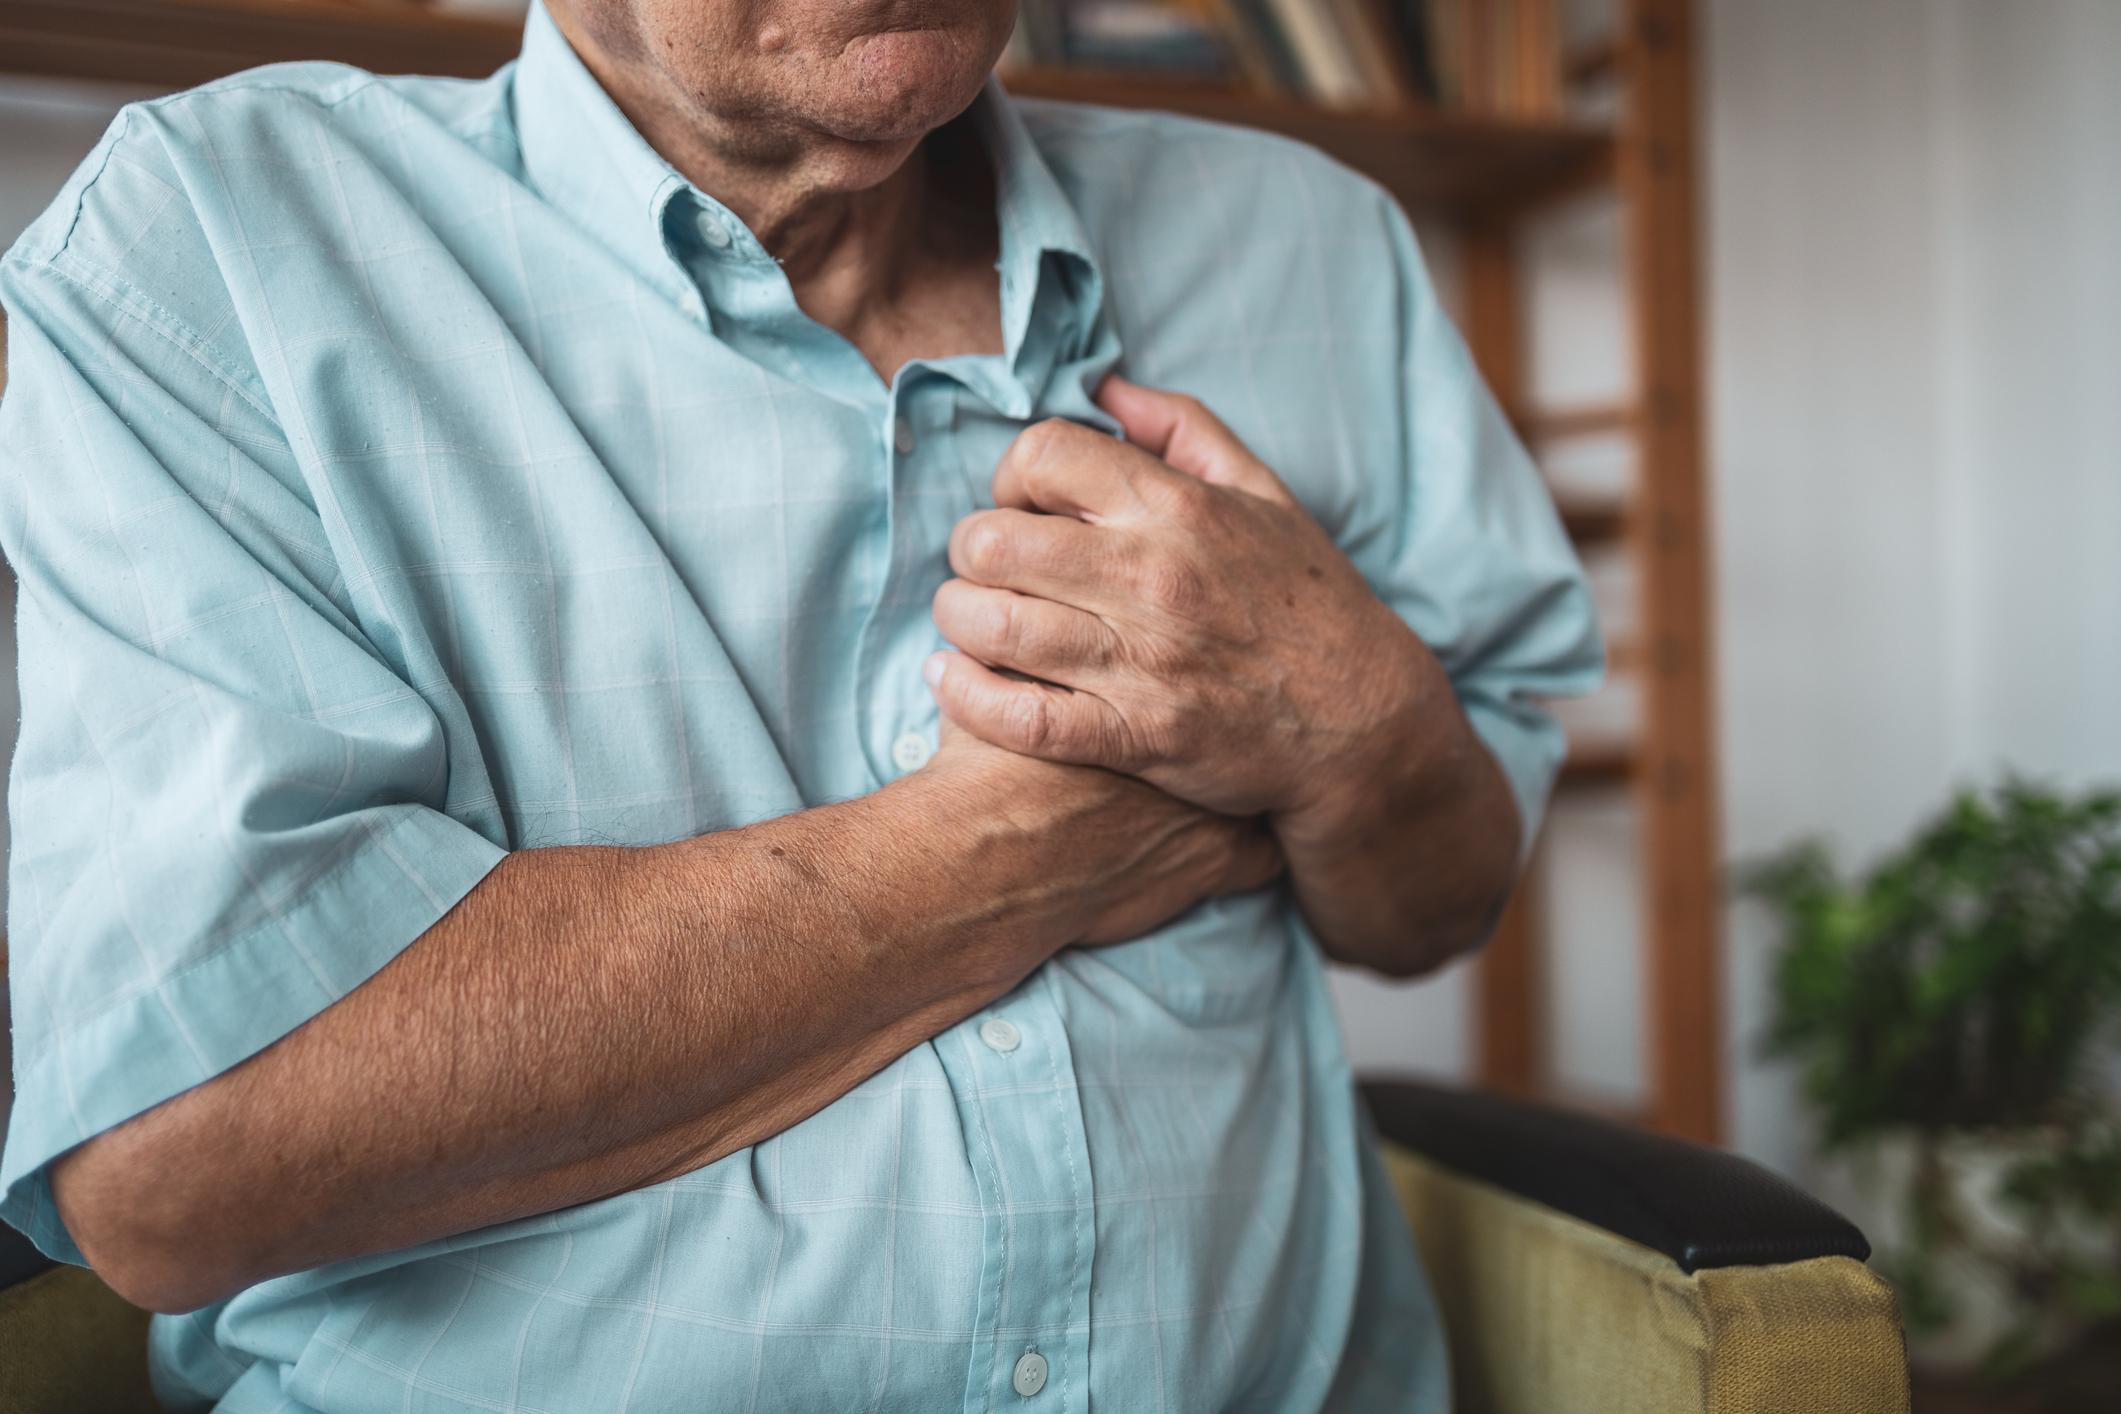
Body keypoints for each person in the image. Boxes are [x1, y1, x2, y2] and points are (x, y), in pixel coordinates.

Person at [0, 0, 1599, 1409]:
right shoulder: (215, 242)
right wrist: (1032, 842)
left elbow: (1434, 903)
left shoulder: (1315, 243)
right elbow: (180, 1160)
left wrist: (1349, 708)